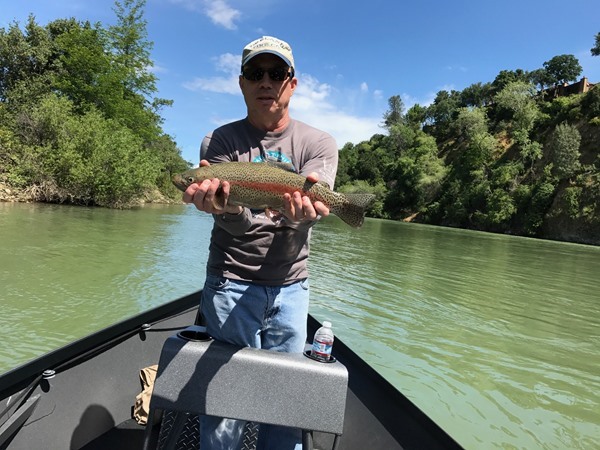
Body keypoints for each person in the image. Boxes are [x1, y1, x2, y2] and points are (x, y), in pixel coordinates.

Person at [182, 36, 339, 450]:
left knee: (284, 402)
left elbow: (309, 209)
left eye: (276, 73)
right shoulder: (218, 142)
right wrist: (225, 208)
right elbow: (236, 227)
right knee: (225, 401)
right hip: (230, 282)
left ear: (292, 82)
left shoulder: (319, 144)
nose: (265, 81)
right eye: (255, 73)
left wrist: (299, 212)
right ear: (241, 82)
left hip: (292, 286)